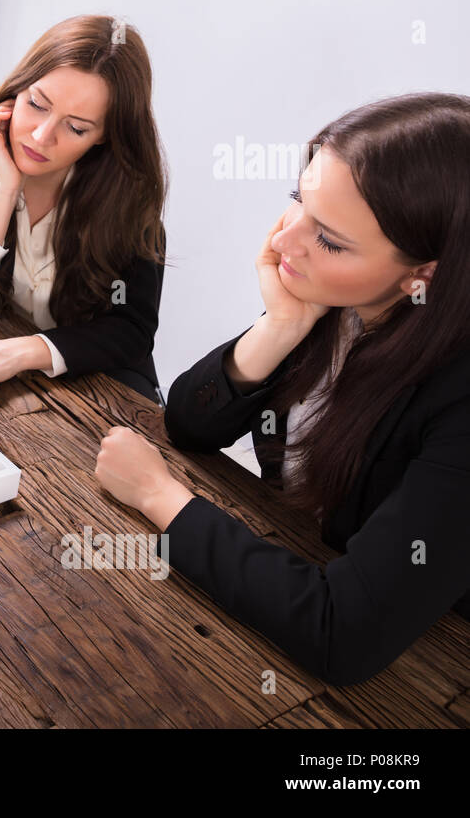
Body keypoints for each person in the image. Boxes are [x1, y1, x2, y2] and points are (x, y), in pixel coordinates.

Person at [93, 93, 470, 686]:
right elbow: (191, 424)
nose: (285, 241)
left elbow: (341, 631)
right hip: (294, 556)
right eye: (299, 199)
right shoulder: (341, 303)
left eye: (331, 240)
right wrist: (281, 326)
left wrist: (158, 496)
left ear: (423, 275)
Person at [0, 15, 168, 404]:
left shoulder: (127, 190)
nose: (41, 136)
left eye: (77, 128)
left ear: (106, 137)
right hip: (1, 376)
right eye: (36, 104)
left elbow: (131, 330)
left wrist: (27, 351)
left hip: (95, 377)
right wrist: (3, 193)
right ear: (17, 89)